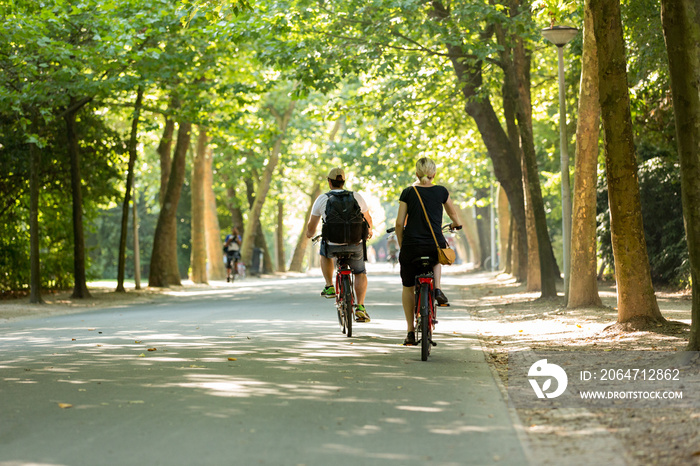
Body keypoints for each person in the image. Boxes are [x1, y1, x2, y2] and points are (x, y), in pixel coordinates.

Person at [394, 157, 461, 345]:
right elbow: (453, 214)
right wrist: (457, 224)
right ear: (434, 174)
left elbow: (399, 223)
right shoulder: (441, 191)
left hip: (411, 246)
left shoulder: (408, 192)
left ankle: (409, 331)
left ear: (416, 174)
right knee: (437, 257)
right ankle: (437, 289)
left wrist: (402, 244)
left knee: (408, 286)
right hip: (433, 244)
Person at [306, 168, 374, 322]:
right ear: (344, 181)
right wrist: (369, 232)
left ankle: (329, 285)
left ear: (329, 182)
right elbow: (368, 220)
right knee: (360, 272)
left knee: (324, 251)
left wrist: (310, 235)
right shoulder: (356, 196)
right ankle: (361, 307)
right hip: (355, 243)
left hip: (332, 244)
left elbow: (311, 227)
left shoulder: (322, 199)